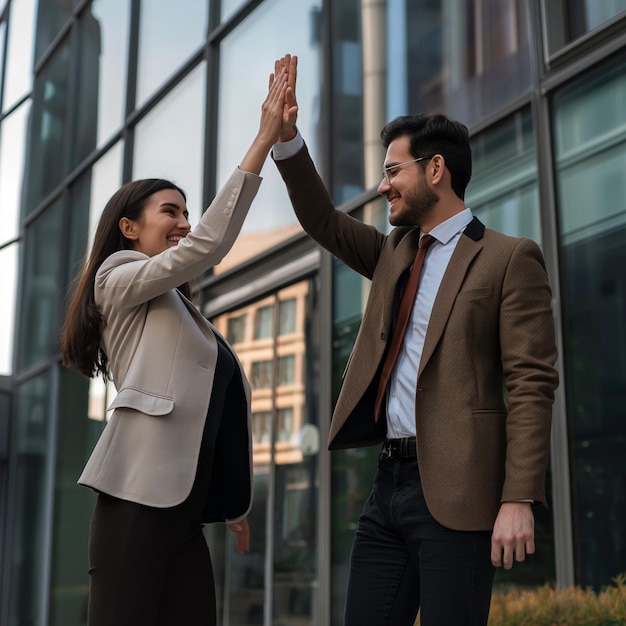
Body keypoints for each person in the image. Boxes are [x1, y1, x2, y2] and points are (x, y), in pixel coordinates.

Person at [271, 55, 559, 625]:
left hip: (461, 491)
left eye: (392, 171)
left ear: (434, 170)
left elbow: (532, 382)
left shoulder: (508, 258)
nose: (382, 186)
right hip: (389, 484)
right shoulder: (392, 253)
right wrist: (286, 141)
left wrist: (517, 496)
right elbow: (323, 221)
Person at [60, 60, 295, 626]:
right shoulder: (117, 280)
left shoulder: (187, 315)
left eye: (188, 213)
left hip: (183, 513)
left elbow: (213, 409)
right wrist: (264, 139)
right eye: (172, 211)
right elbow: (206, 249)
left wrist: (232, 500)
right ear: (129, 228)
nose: (185, 222)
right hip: (133, 507)